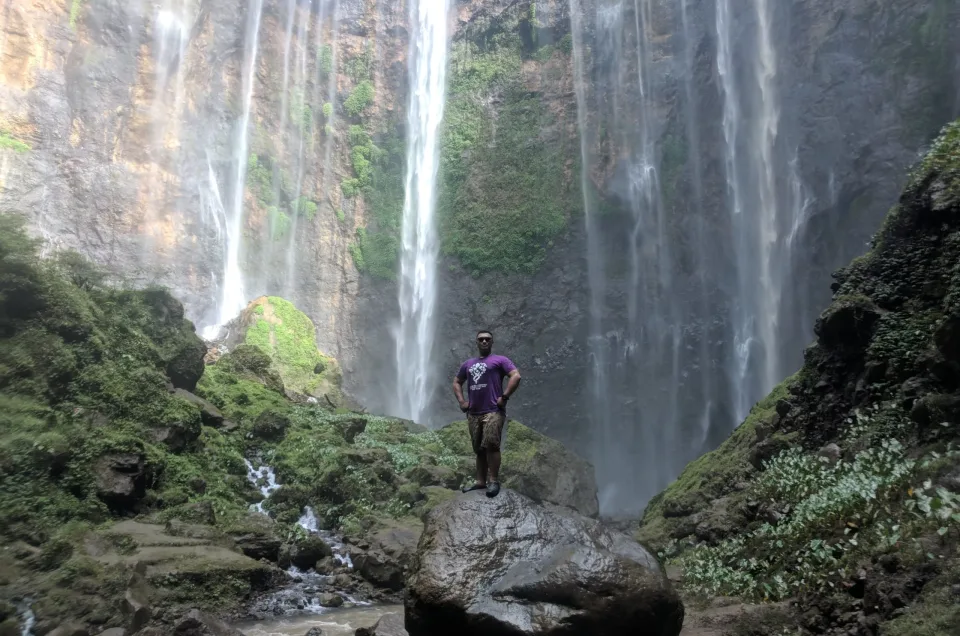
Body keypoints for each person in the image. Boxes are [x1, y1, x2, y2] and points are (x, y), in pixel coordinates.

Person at [453, 330, 521, 498]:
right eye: (481, 339)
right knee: (478, 448)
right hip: (474, 412)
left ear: (492, 342)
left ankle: (493, 480)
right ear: (476, 342)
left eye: (487, 339)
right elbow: (456, 381)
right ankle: (480, 481)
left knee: (491, 444)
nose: (484, 341)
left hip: (493, 410)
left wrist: (504, 396)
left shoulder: (500, 360)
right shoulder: (468, 364)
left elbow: (516, 376)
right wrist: (462, 401)